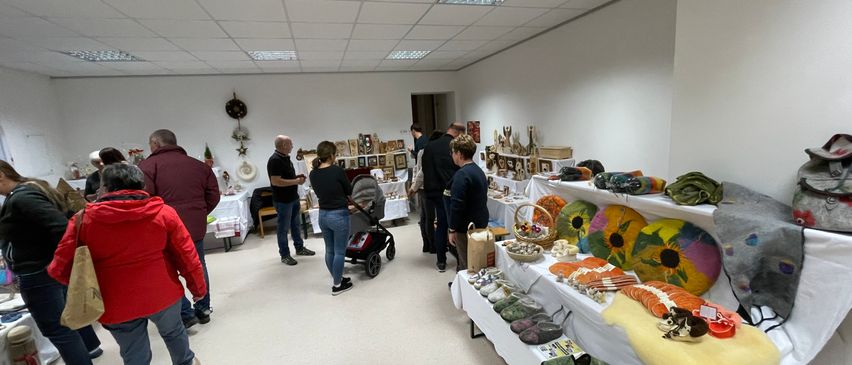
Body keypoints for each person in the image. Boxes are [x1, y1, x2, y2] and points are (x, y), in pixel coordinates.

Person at [49, 164, 205, 365]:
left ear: (104, 188)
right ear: (141, 184)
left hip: (115, 301)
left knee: (133, 352)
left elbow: (60, 267)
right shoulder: (163, 213)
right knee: (174, 332)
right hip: (162, 292)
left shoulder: (83, 220)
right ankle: (186, 362)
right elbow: (187, 255)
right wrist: (198, 288)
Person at [0, 160, 103, 365]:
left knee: (58, 330)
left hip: (39, 272)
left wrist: (57, 262)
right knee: (67, 320)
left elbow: (60, 227)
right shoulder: (31, 188)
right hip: (45, 270)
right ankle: (90, 350)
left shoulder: (23, 197)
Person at [138, 129, 219, 328]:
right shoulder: (199, 166)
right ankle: (204, 308)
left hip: (162, 228)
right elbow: (214, 195)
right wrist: (199, 212)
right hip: (194, 226)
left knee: (169, 271)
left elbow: (143, 199)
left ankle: (185, 312)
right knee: (198, 265)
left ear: (155, 144)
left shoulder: (146, 167)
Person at [309, 141, 354, 296]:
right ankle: (337, 285)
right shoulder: (337, 171)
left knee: (329, 250)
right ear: (331, 155)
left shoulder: (313, 173)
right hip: (339, 215)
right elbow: (349, 189)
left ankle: (338, 277)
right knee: (340, 252)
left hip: (323, 215)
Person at [421, 122, 465, 272]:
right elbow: (458, 170)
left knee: (441, 225)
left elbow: (425, 169)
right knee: (456, 225)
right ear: (458, 133)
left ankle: (441, 261)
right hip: (449, 191)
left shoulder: (430, 146)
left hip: (432, 191)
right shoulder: (454, 147)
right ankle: (460, 261)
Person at [266, 135, 314, 266]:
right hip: (283, 201)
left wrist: (296, 177)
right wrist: (296, 181)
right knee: (283, 228)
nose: (292, 146)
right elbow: (275, 181)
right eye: (290, 144)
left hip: (293, 198)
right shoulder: (275, 160)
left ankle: (299, 248)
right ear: (283, 146)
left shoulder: (286, 158)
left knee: (296, 225)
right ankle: (285, 255)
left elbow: (285, 177)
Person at [447, 134, 489, 272]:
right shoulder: (478, 171)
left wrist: (452, 229)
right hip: (480, 223)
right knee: (477, 260)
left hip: (466, 227)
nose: (452, 155)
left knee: (467, 263)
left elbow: (456, 205)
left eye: (453, 152)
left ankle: (465, 291)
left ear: (459, 153)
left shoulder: (462, 175)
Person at [408, 131, 444, 253]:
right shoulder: (429, 152)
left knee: (424, 217)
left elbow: (416, 169)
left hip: (422, 187)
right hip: (427, 187)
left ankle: (427, 244)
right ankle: (432, 245)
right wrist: (414, 187)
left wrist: (414, 185)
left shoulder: (423, 151)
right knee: (429, 218)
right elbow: (422, 172)